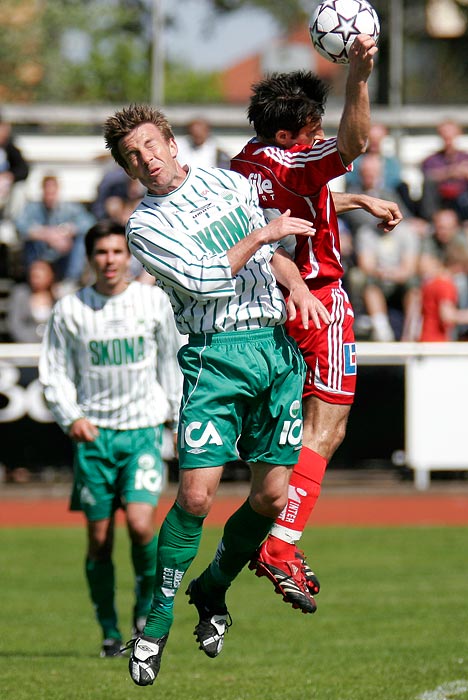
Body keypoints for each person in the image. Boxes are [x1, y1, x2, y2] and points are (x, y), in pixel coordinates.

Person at [103, 102, 330, 685]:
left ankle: (212, 590)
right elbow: (206, 278)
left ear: (173, 143)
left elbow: (272, 256)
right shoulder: (144, 226)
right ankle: (155, 624)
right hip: (216, 357)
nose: (146, 159)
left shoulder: (227, 182)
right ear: (128, 169)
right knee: (198, 498)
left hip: (275, 350)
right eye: (133, 155)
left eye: (152, 145)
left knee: (272, 500)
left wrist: (299, 286)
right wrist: (264, 233)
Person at [230, 38, 402, 611]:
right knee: (325, 430)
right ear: (286, 136)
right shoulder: (296, 159)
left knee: (289, 434)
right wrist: (359, 74)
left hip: (267, 304)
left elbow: (300, 203)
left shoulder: (244, 163)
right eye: (311, 127)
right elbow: (352, 143)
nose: (319, 133)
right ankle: (281, 544)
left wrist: (358, 201)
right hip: (318, 301)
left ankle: (270, 532)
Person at [39, 219, 183, 658]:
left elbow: (171, 364)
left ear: (129, 256)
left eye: (117, 252)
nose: (109, 260)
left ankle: (143, 614)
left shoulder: (153, 303)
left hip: (142, 430)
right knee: (99, 539)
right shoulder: (70, 309)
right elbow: (54, 370)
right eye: (101, 252)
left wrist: (178, 421)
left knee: (142, 526)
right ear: (90, 258)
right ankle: (107, 629)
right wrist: (70, 417)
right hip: (94, 437)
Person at [15, 174, 95, 286]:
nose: (50, 197)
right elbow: (20, 226)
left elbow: (89, 223)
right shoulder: (33, 208)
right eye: (47, 193)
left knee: (80, 240)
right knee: (29, 241)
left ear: (58, 191)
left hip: (63, 255)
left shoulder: (69, 208)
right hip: (40, 253)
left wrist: (66, 231)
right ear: (42, 191)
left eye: (52, 193)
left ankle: (71, 280)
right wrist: (46, 235)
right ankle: (33, 279)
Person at [419, 119, 468, 222]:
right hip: (439, 201)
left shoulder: (465, 157)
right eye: (445, 137)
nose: (448, 141)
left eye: (451, 137)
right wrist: (450, 172)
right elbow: (428, 177)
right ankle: (432, 221)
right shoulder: (431, 160)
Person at [7, 258, 57, 342]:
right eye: (34, 273)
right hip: (25, 348)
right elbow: (14, 324)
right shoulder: (20, 294)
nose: (36, 276)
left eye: (40, 273)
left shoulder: (59, 298)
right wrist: (34, 339)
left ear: (50, 275)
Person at [0, 113, 29, 223]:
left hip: (5, 193)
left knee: (19, 190)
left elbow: (23, 170)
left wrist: (9, 176)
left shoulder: (9, 148)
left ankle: (10, 223)